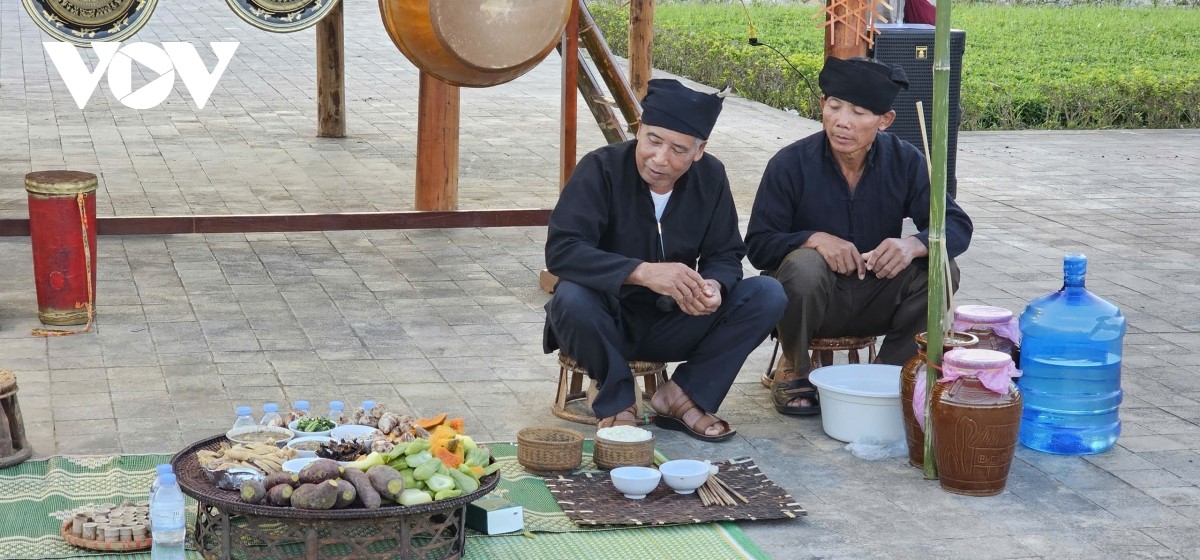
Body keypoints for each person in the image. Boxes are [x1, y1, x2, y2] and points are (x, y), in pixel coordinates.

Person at [543, 79, 786, 442]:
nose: (660, 158)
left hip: (674, 320)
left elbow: (725, 254)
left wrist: (713, 286)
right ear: (639, 129)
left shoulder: (711, 176)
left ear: (699, 151)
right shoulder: (600, 168)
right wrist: (641, 272)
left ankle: (683, 395)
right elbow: (563, 250)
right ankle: (617, 402)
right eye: (653, 141)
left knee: (767, 293)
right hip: (602, 323)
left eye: (678, 149)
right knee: (571, 296)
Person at [745, 57, 972, 416]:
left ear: (885, 120)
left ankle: (888, 369)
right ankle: (796, 368)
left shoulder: (905, 161)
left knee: (943, 269)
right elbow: (758, 245)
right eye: (834, 106)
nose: (842, 121)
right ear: (822, 105)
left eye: (859, 112)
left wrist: (912, 245)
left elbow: (957, 224)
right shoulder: (790, 164)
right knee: (804, 265)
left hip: (876, 295)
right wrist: (813, 239)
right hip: (811, 304)